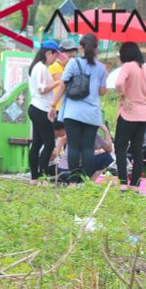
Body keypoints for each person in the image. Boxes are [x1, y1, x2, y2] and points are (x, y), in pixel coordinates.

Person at [50, 34, 108, 184]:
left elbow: (62, 85)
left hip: (73, 112)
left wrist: (52, 105)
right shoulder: (101, 68)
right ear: (96, 49)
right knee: (88, 148)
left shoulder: (73, 63)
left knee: (74, 147)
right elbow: (102, 92)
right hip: (92, 114)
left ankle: (74, 183)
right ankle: (85, 182)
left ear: (81, 47)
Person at [114, 42, 146, 190]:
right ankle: (135, 185)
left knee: (120, 147)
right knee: (137, 149)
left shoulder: (127, 66)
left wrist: (123, 96)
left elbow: (118, 83)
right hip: (144, 114)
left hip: (129, 113)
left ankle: (123, 183)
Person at [27, 40, 62, 184]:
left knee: (37, 143)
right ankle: (41, 175)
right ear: (48, 53)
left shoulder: (36, 67)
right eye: (55, 56)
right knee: (49, 144)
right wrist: (58, 82)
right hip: (41, 109)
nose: (55, 59)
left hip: (36, 107)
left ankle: (35, 177)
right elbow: (42, 89)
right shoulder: (41, 67)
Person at [49, 38, 77, 116]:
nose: (71, 60)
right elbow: (64, 84)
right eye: (69, 56)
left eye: (73, 57)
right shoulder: (55, 66)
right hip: (58, 107)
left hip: (68, 107)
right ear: (60, 54)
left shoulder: (70, 68)